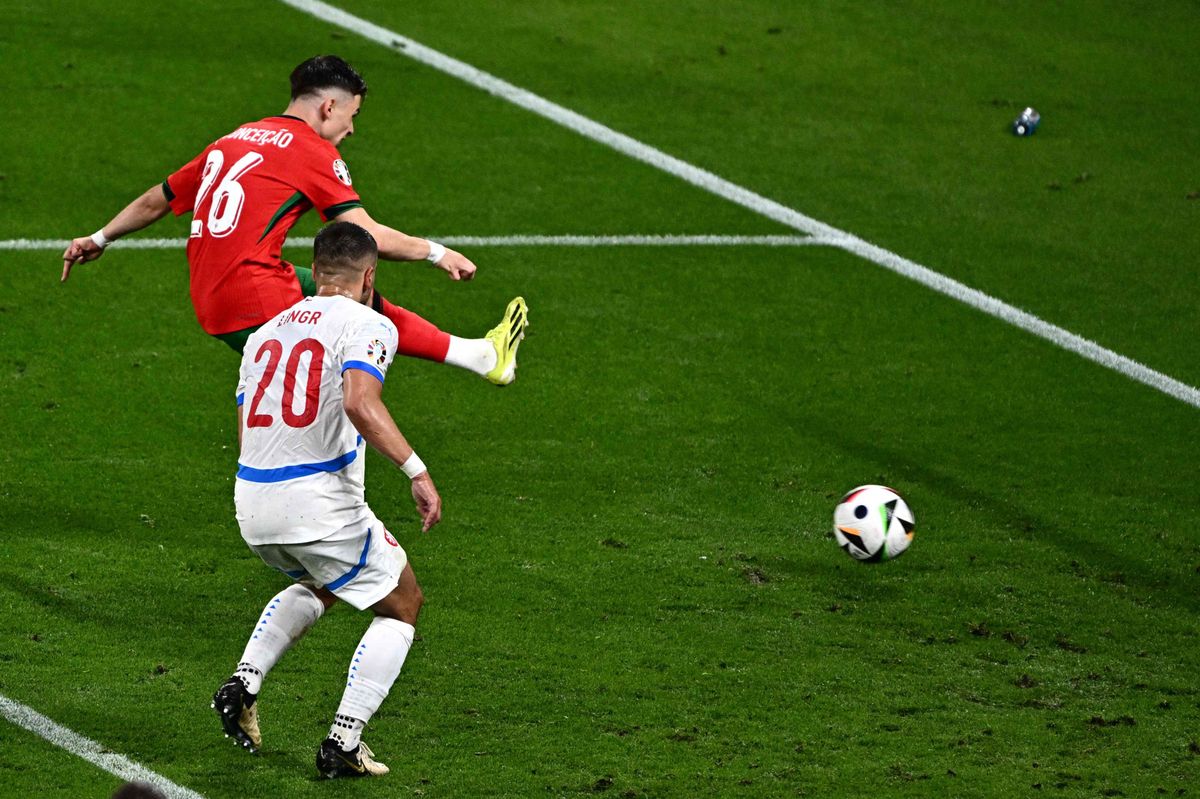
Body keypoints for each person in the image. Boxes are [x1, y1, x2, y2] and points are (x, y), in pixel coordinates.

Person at [60, 54, 527, 385]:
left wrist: (98, 236)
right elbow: (367, 235)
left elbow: (155, 200)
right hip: (253, 296)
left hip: (213, 294)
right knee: (341, 381)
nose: (351, 129)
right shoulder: (311, 151)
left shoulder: (234, 138)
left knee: (354, 296)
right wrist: (438, 253)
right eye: (352, 114)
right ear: (329, 106)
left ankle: (480, 355)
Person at [211, 222, 438, 778]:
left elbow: (247, 433)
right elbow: (361, 402)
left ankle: (243, 682)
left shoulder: (264, 334)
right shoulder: (370, 324)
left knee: (327, 581)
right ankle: (343, 742)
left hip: (252, 504)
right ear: (369, 275)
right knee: (402, 603)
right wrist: (416, 470)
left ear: (314, 271)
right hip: (317, 506)